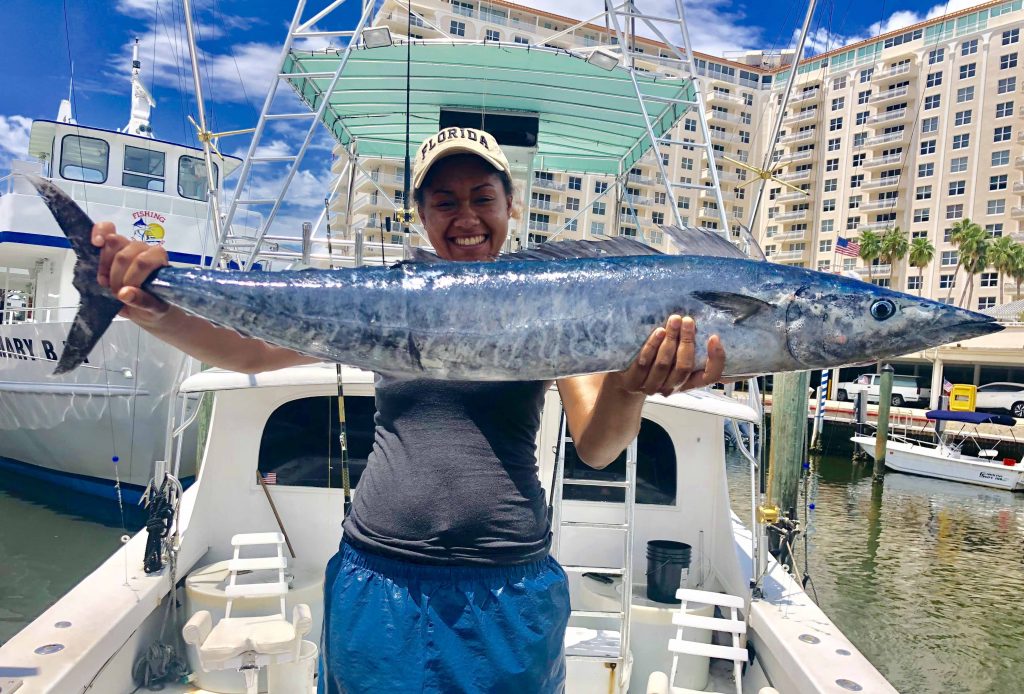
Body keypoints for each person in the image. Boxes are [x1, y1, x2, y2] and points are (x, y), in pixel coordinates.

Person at [92, 127, 726, 693]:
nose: (467, 216)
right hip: (378, 578)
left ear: (509, 207)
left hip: (507, 583)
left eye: (483, 197)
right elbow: (246, 352)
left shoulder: (557, 303)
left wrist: (632, 386)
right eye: (444, 202)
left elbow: (596, 446)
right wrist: (155, 308)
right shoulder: (388, 298)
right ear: (422, 215)